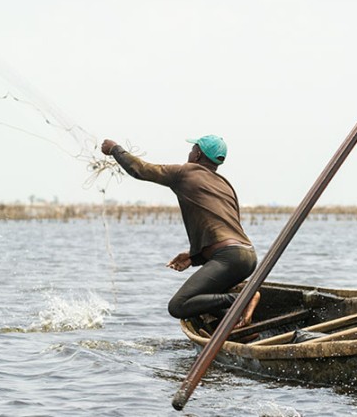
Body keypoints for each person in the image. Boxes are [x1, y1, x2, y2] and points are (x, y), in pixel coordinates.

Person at [100, 135, 260, 329]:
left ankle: (240, 300)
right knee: (204, 302)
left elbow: (140, 170)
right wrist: (194, 257)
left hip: (229, 258)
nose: (189, 153)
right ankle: (238, 327)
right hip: (248, 256)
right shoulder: (225, 184)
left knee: (178, 306)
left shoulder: (186, 173)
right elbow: (224, 229)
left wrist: (114, 149)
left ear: (198, 154)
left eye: (192, 149)